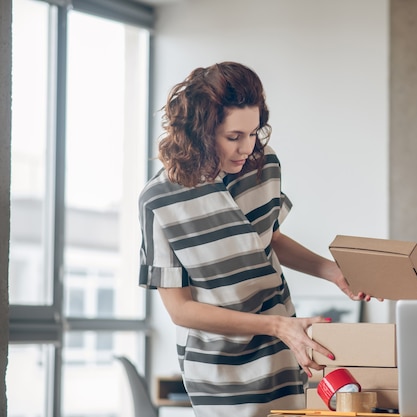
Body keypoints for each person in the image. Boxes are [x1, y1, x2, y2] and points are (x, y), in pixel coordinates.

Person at [137, 62, 374, 417]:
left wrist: (333, 272)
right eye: (234, 137)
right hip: (218, 366)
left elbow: (268, 237)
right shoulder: (159, 200)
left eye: (254, 133)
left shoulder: (265, 165)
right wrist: (278, 326)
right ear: (199, 131)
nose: (247, 147)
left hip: (281, 347)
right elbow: (180, 310)